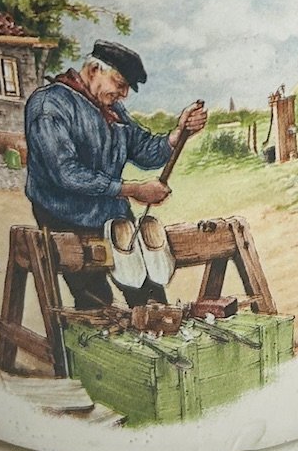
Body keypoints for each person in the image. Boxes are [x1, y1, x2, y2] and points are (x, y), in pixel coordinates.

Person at [24, 40, 207, 308]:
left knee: (151, 298)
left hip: (112, 214)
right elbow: (66, 174)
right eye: (119, 84)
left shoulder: (112, 110)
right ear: (95, 69)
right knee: (98, 305)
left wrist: (177, 134)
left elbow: (144, 149)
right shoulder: (48, 105)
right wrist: (133, 190)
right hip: (64, 215)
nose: (123, 95)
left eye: (126, 89)